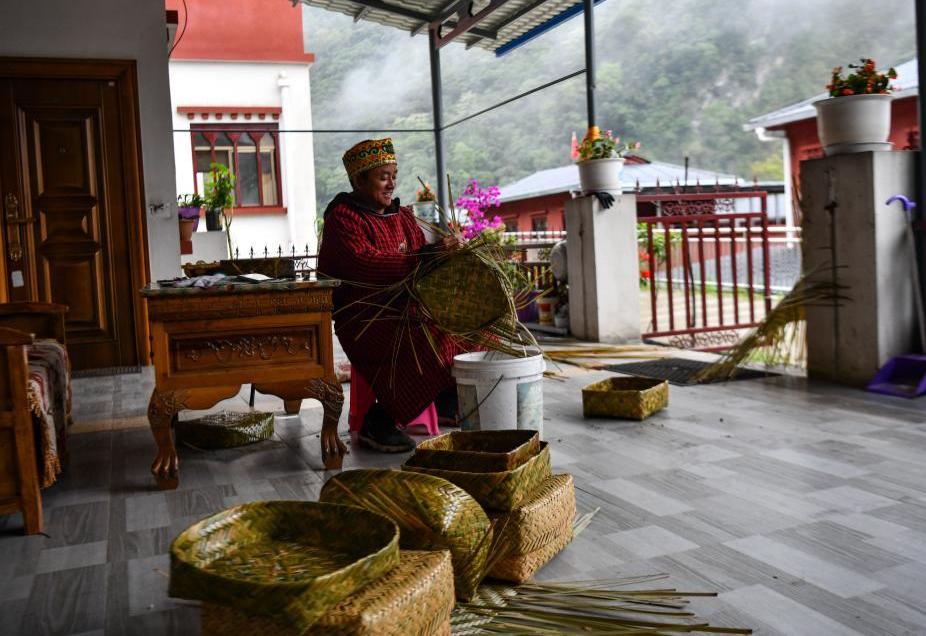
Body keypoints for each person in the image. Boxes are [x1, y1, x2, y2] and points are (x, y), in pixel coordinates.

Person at [317, 138, 465, 454]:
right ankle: (379, 420)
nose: (392, 183)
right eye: (383, 177)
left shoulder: (404, 217)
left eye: (394, 176)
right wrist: (429, 256)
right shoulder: (343, 218)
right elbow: (364, 263)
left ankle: (444, 398)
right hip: (365, 316)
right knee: (426, 340)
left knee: (467, 323)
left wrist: (451, 258)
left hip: (407, 306)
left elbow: (422, 261)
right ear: (359, 181)